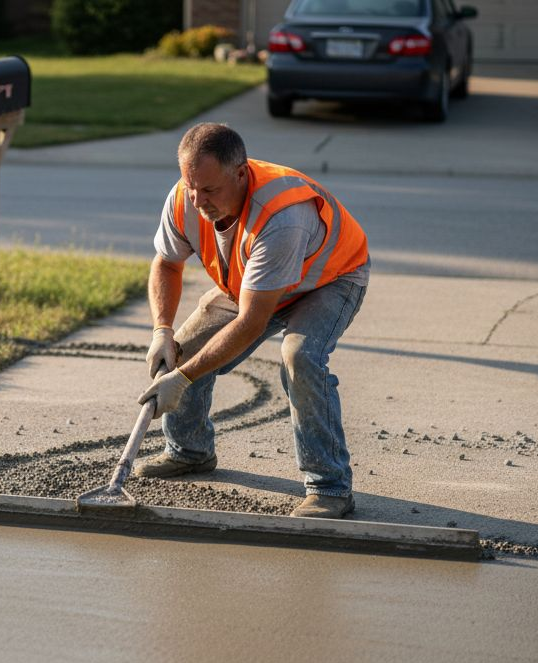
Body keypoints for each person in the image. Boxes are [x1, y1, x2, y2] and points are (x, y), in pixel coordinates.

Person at [136, 122, 369, 519]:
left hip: (328, 280)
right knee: (186, 349)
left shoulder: (282, 216)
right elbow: (167, 264)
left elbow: (251, 322)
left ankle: (330, 487)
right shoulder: (184, 198)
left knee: (300, 357)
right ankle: (189, 451)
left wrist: (182, 379)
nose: (198, 200)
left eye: (209, 190)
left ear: (240, 174)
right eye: (192, 187)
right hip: (253, 285)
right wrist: (162, 330)